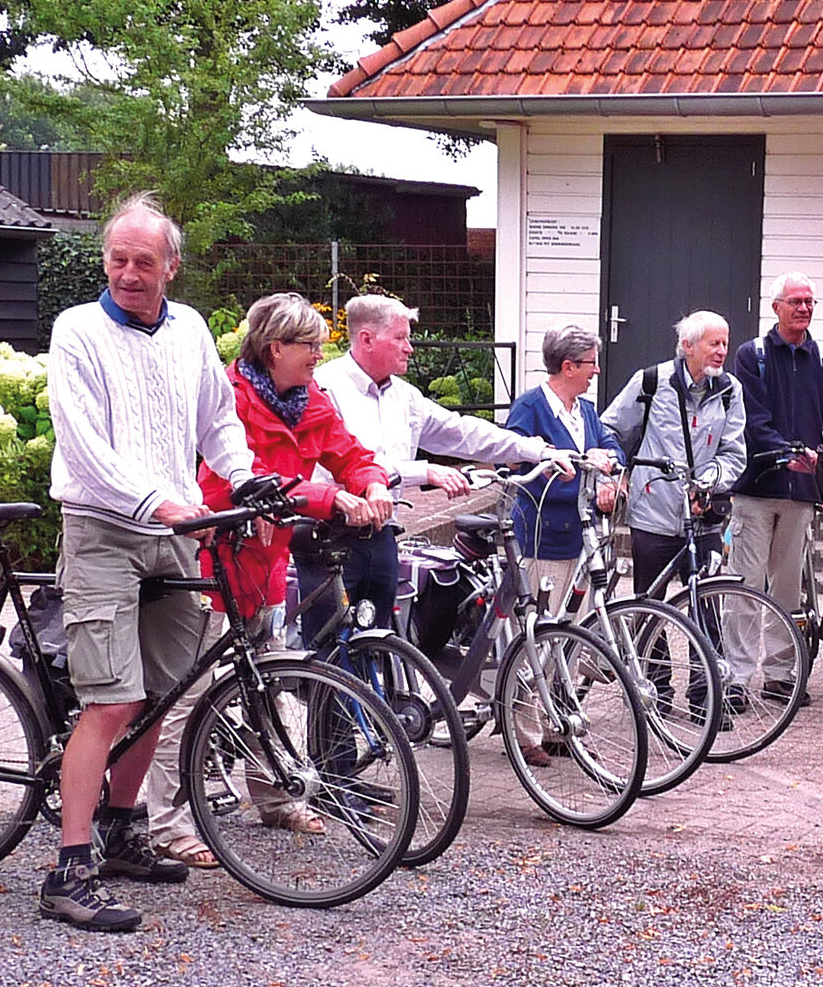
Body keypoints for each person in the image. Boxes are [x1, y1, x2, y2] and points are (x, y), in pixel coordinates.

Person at [41, 194, 259, 932]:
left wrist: (245, 473)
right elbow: (83, 445)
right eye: (118, 259)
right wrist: (156, 502)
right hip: (105, 526)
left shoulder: (189, 328)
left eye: (144, 261)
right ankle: (70, 867)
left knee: (159, 696)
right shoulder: (77, 330)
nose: (129, 273)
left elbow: (217, 418)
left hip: (174, 526)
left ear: (172, 265)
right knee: (109, 698)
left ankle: (124, 828)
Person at [133, 293, 393, 869]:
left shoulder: (308, 400)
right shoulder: (232, 398)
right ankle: (166, 824)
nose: (319, 357)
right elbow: (229, 488)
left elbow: (349, 453)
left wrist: (371, 482)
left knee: (265, 683)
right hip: (214, 560)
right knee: (188, 695)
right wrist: (330, 497)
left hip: (266, 566)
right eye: (311, 347)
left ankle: (273, 796)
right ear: (276, 348)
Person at [308, 294, 558, 646]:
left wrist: (536, 449)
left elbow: (460, 431)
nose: (410, 348)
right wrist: (425, 471)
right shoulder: (324, 387)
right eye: (400, 338)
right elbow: (351, 462)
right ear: (366, 339)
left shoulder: (404, 396)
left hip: (382, 534)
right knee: (333, 650)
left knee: (378, 645)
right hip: (331, 537)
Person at [729, 273, 823, 691]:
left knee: (789, 590)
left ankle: (782, 676)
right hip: (756, 487)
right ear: (776, 307)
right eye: (795, 302)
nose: (803, 308)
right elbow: (751, 420)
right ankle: (736, 676)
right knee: (746, 588)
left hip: (803, 493)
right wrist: (788, 454)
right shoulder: (752, 356)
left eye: (809, 302)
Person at [603, 311, 748, 600]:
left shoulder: (730, 391)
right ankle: (648, 649)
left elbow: (734, 454)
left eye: (725, 344)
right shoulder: (650, 382)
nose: (722, 352)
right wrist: (615, 475)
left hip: (704, 520)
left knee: (707, 612)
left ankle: (706, 649)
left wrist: (705, 485)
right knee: (648, 610)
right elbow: (608, 431)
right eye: (714, 344)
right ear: (688, 345)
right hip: (652, 515)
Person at [502, 326, 622, 621]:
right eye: (591, 363)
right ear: (568, 367)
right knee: (542, 635)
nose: (597, 370)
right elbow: (506, 464)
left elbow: (614, 450)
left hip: (581, 539)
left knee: (574, 636)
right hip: (542, 541)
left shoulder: (587, 411)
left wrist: (606, 464)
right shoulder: (529, 408)